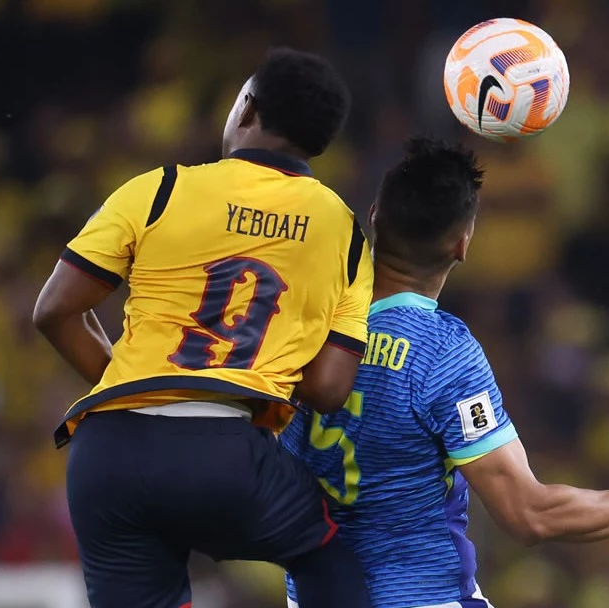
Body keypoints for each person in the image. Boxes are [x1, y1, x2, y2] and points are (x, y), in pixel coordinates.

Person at [280, 136, 609, 608]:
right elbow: (529, 514)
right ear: (462, 243)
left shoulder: (305, 324)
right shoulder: (442, 352)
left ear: (374, 216)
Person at [33, 48, 372, 608]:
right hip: (225, 456)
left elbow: (54, 310)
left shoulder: (159, 188)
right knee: (329, 555)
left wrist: (130, 385)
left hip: (108, 457)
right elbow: (330, 389)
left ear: (247, 109)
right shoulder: (342, 228)